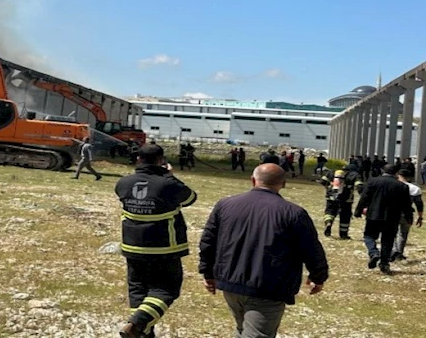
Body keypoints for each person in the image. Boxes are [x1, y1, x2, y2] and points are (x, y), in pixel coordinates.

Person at [199, 164, 329, 338]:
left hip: (230, 283)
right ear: (283, 183)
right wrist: (318, 276)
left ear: (253, 180)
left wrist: (207, 273)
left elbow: (208, 242)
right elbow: (311, 249)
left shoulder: (225, 205)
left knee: (243, 330)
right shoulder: (294, 213)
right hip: (268, 288)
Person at [115, 144, 197, 338]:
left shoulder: (123, 183)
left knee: (138, 291)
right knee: (166, 290)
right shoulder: (167, 183)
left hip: (132, 245)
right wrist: (168, 175)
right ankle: (138, 323)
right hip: (163, 247)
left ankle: (143, 333)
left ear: (138, 160)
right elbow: (190, 198)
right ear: (161, 160)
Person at [354, 163, 413, 274]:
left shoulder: (373, 181)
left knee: (369, 236)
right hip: (392, 218)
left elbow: (364, 197)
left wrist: (358, 211)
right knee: (388, 240)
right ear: (396, 173)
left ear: (382, 170)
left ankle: (373, 252)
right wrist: (409, 217)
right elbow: (406, 205)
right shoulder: (402, 186)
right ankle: (384, 264)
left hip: (374, 215)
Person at [319, 165, 362, 239]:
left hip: (331, 198)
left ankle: (328, 223)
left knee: (329, 212)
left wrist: (329, 187)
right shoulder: (354, 175)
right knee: (345, 216)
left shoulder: (331, 172)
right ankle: (343, 234)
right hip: (346, 200)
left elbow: (322, 181)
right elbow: (359, 186)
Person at [391, 168, 423, 262]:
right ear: (409, 177)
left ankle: (394, 250)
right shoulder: (415, 189)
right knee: (403, 234)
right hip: (407, 213)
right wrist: (420, 217)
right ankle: (399, 254)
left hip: (393, 212)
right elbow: (419, 204)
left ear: (397, 175)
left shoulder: (393, 185)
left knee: (391, 232)